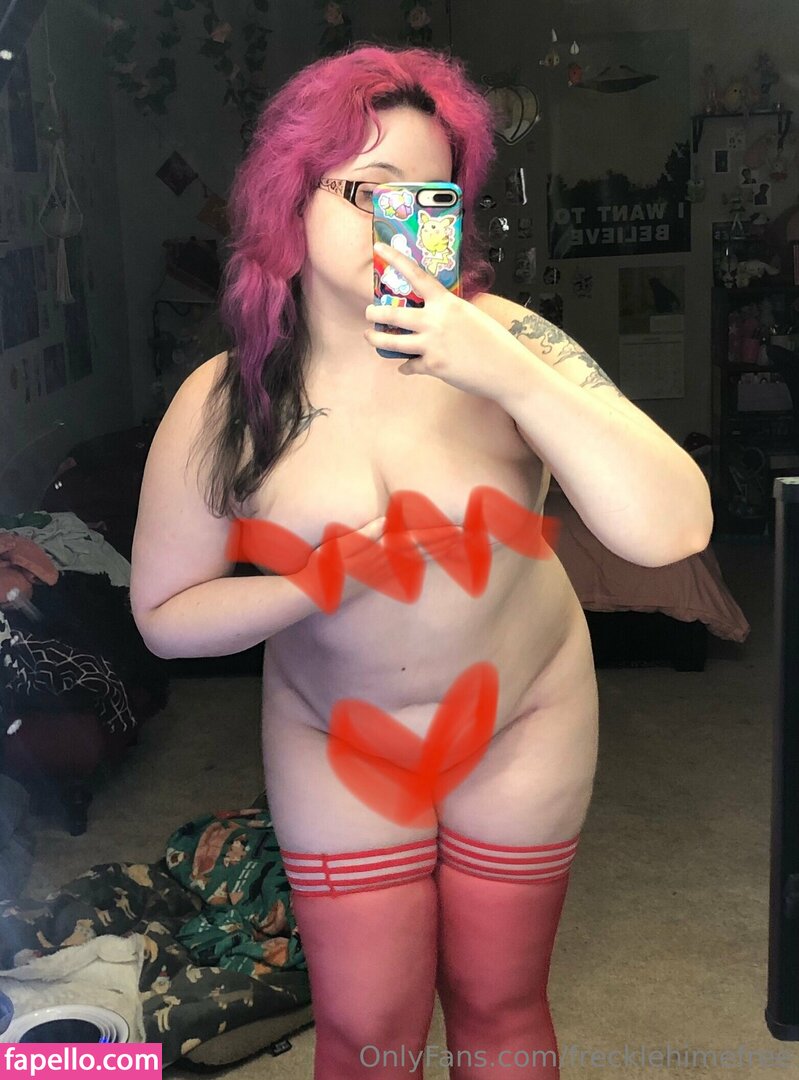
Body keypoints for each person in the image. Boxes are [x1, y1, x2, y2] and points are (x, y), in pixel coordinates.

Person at [131, 42, 710, 1078]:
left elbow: (673, 530)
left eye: (430, 197)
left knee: (500, 1005)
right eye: (369, 190)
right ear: (289, 198)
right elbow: (164, 616)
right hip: (336, 735)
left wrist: (513, 376)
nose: (400, 222)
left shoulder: (507, 342)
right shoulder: (226, 400)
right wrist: (314, 583)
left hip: (524, 712)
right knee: (367, 1033)